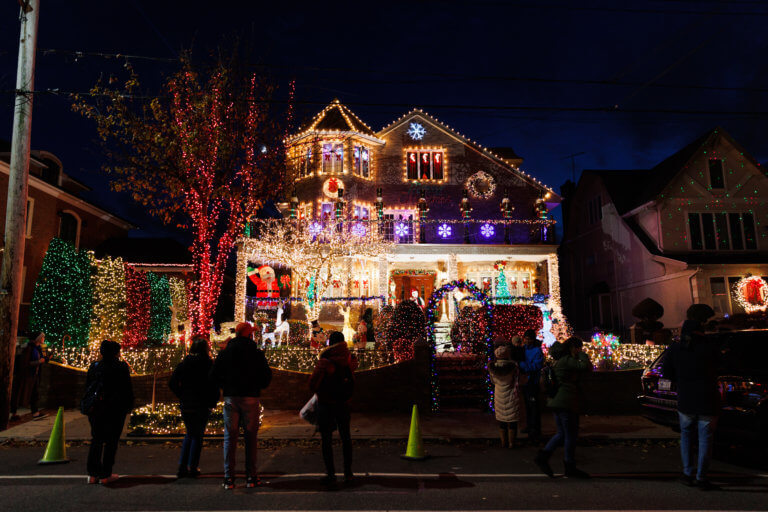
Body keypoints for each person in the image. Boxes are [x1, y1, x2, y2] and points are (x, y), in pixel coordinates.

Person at [662, 304, 720, 490]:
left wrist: (682, 380)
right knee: (705, 438)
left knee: (686, 435)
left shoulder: (677, 347)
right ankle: (702, 476)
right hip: (707, 398)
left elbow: (667, 372)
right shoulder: (710, 346)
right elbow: (721, 367)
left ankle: (688, 473)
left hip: (686, 397)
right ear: (703, 322)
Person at [210, 322, 272, 490]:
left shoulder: (225, 353)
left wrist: (226, 387)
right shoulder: (256, 353)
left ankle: (229, 478)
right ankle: (251, 476)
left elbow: (214, 375)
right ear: (248, 334)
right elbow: (266, 376)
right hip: (251, 396)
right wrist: (257, 386)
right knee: (251, 437)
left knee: (230, 437)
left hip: (231, 397)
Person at [534, 336, 592, 479]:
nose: (579, 350)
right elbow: (585, 366)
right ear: (573, 348)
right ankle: (568, 465)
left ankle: (544, 456)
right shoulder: (566, 360)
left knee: (562, 433)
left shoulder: (559, 360)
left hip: (558, 401)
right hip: (566, 401)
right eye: (578, 348)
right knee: (570, 435)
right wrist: (583, 355)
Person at [309, 331, 358, 487]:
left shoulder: (325, 361)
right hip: (343, 402)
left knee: (326, 440)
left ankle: (331, 474)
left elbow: (312, 383)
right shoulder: (349, 358)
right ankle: (348, 473)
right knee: (346, 438)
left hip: (327, 403)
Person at [169, 336, 220, 478]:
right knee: (197, 435)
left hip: (187, 403)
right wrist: (212, 402)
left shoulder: (184, 364)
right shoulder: (209, 364)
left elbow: (172, 383)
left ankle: (182, 466)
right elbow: (214, 385)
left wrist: (182, 395)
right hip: (202, 404)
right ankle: (192, 467)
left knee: (190, 433)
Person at [85, 340, 134, 484]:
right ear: (116, 353)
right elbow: (127, 388)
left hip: (96, 408)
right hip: (115, 408)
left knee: (97, 439)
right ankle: (106, 474)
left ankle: (93, 474)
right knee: (111, 441)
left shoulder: (94, 367)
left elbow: (88, 387)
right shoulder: (120, 367)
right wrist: (129, 405)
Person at [10, 332, 48, 421]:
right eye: (42, 337)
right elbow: (26, 363)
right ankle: (13, 414)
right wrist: (39, 361)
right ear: (38, 339)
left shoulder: (38, 348)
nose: (44, 339)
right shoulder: (29, 348)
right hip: (26, 375)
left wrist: (44, 360)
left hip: (33, 375)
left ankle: (35, 413)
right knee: (19, 393)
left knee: (34, 394)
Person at [489, 344, 521, 448]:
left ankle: (504, 442)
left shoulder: (493, 367)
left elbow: (493, 381)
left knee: (502, 420)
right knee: (512, 420)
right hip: (511, 393)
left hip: (499, 393)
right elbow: (517, 380)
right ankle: (512, 443)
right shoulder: (513, 367)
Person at [519, 329, 544, 439]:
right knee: (527, 406)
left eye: (530, 339)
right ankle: (529, 426)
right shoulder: (522, 349)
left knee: (534, 406)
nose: (527, 340)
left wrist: (523, 365)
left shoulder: (537, 351)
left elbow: (537, 366)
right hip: (525, 381)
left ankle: (536, 429)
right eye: (526, 338)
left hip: (532, 382)